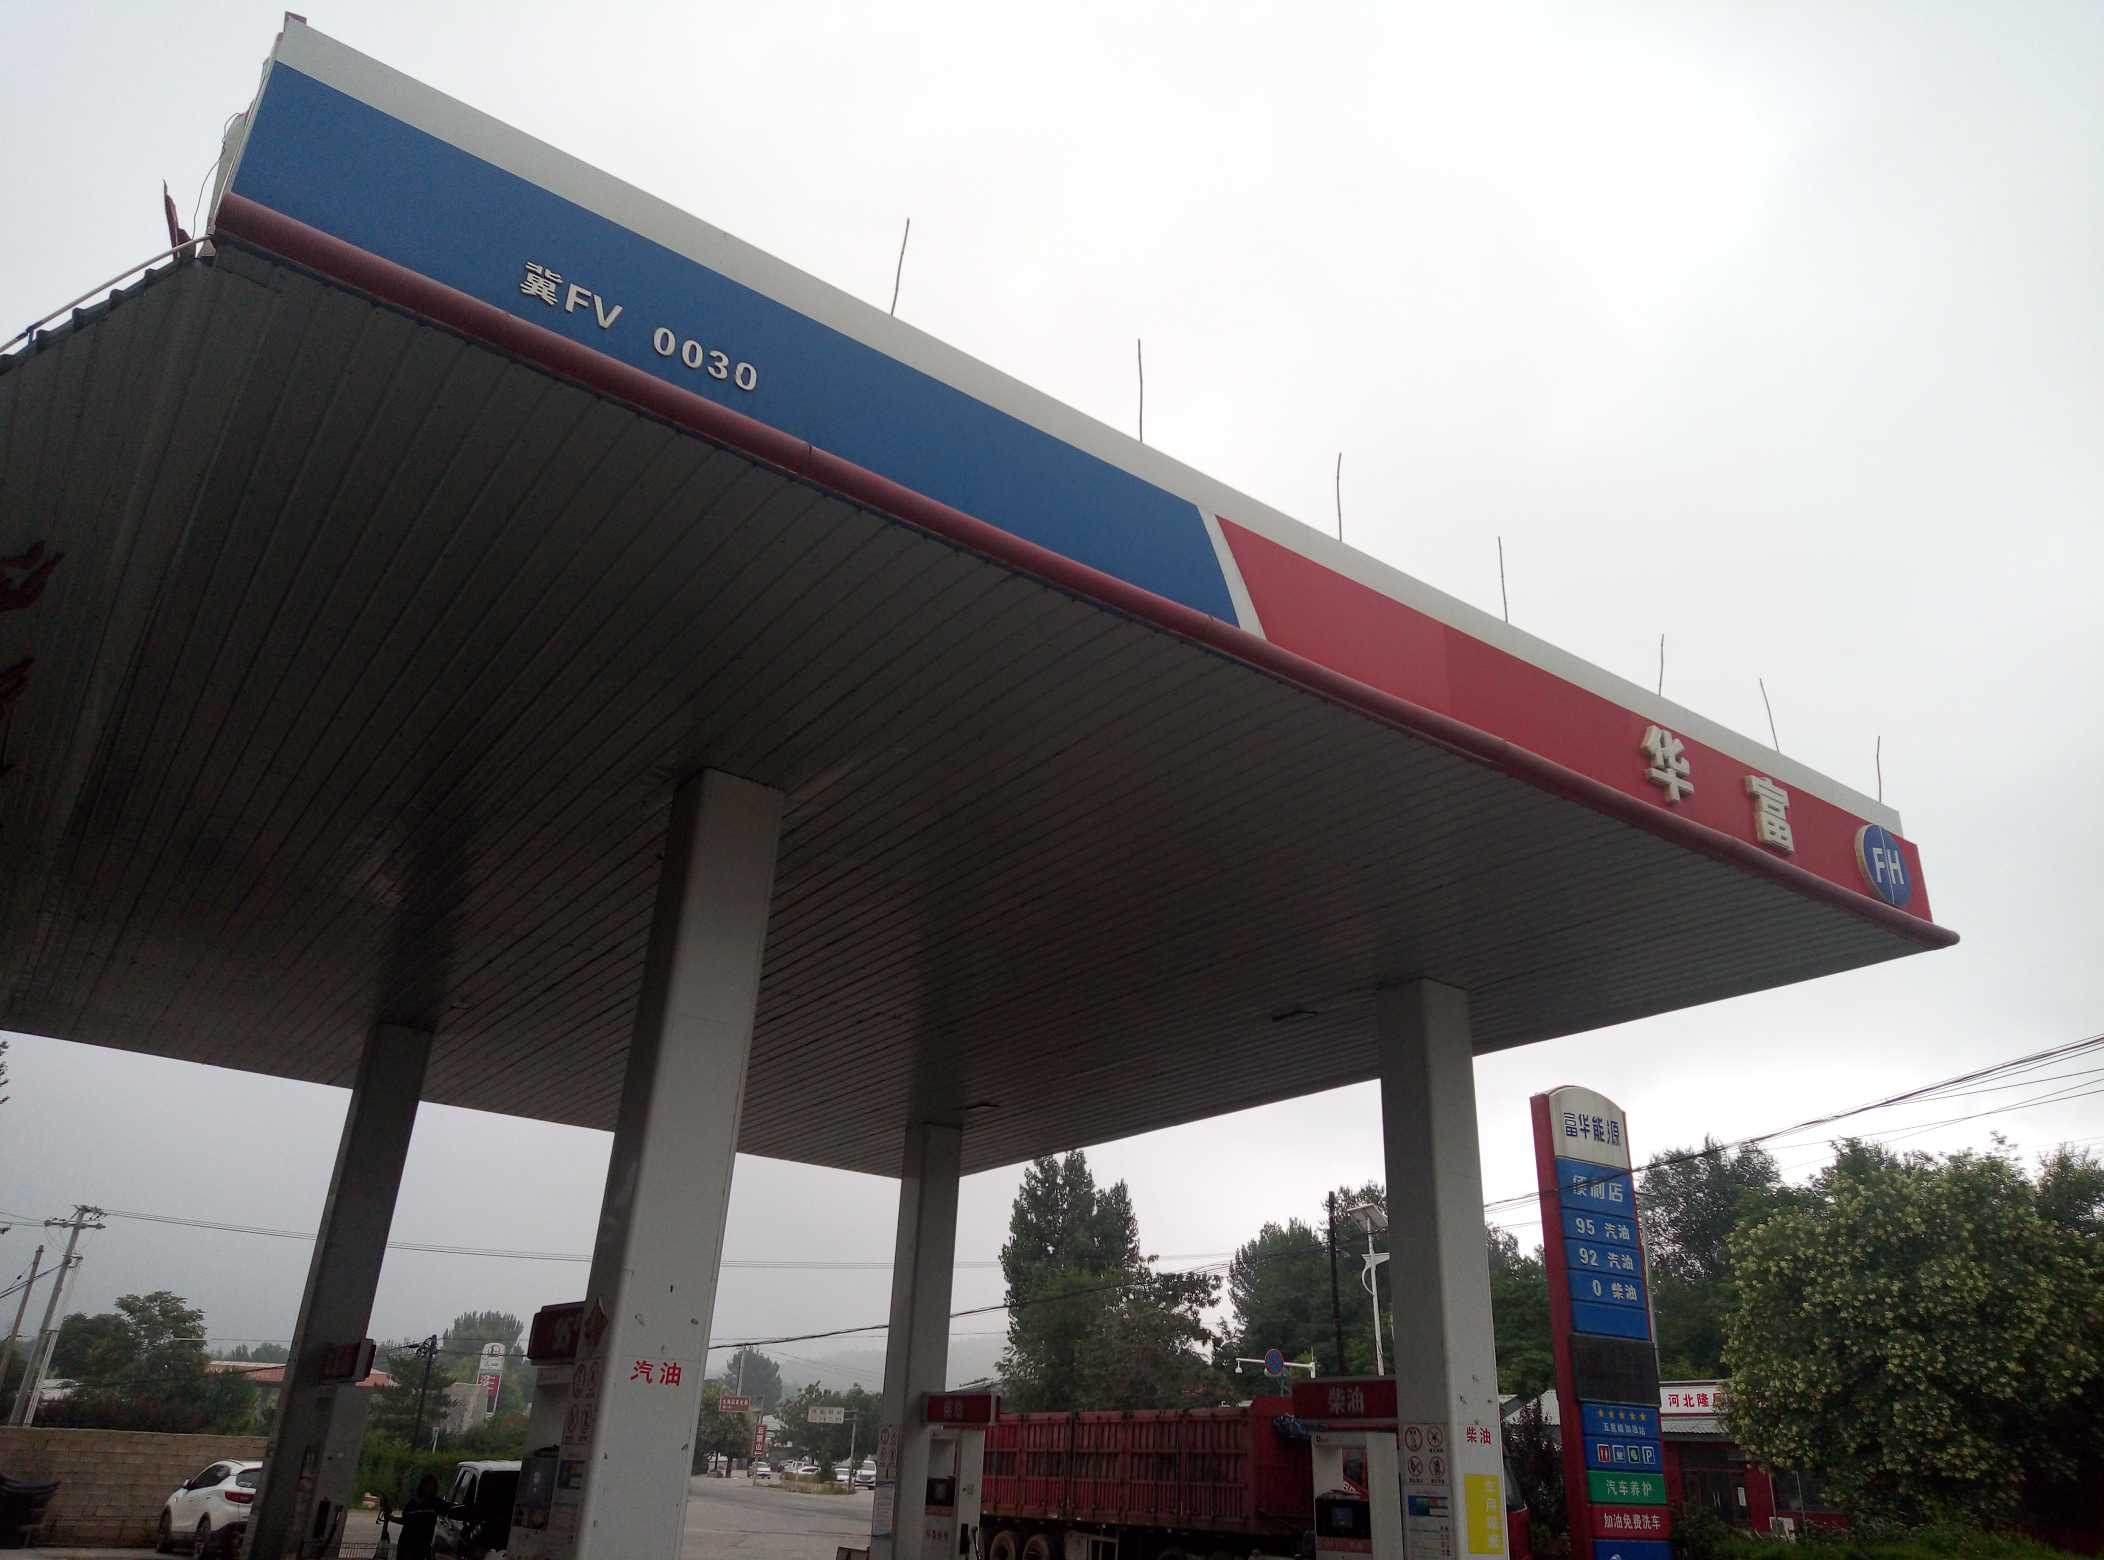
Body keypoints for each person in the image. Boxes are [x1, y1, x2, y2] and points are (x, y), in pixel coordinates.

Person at [394, 1473, 445, 1560]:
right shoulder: (412, 1504)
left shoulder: (437, 1503)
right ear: (422, 1486)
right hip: (406, 1544)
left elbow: (452, 1509)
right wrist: (391, 1518)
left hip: (423, 1546)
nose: (429, 1488)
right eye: (427, 1485)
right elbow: (404, 1520)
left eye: (432, 1486)